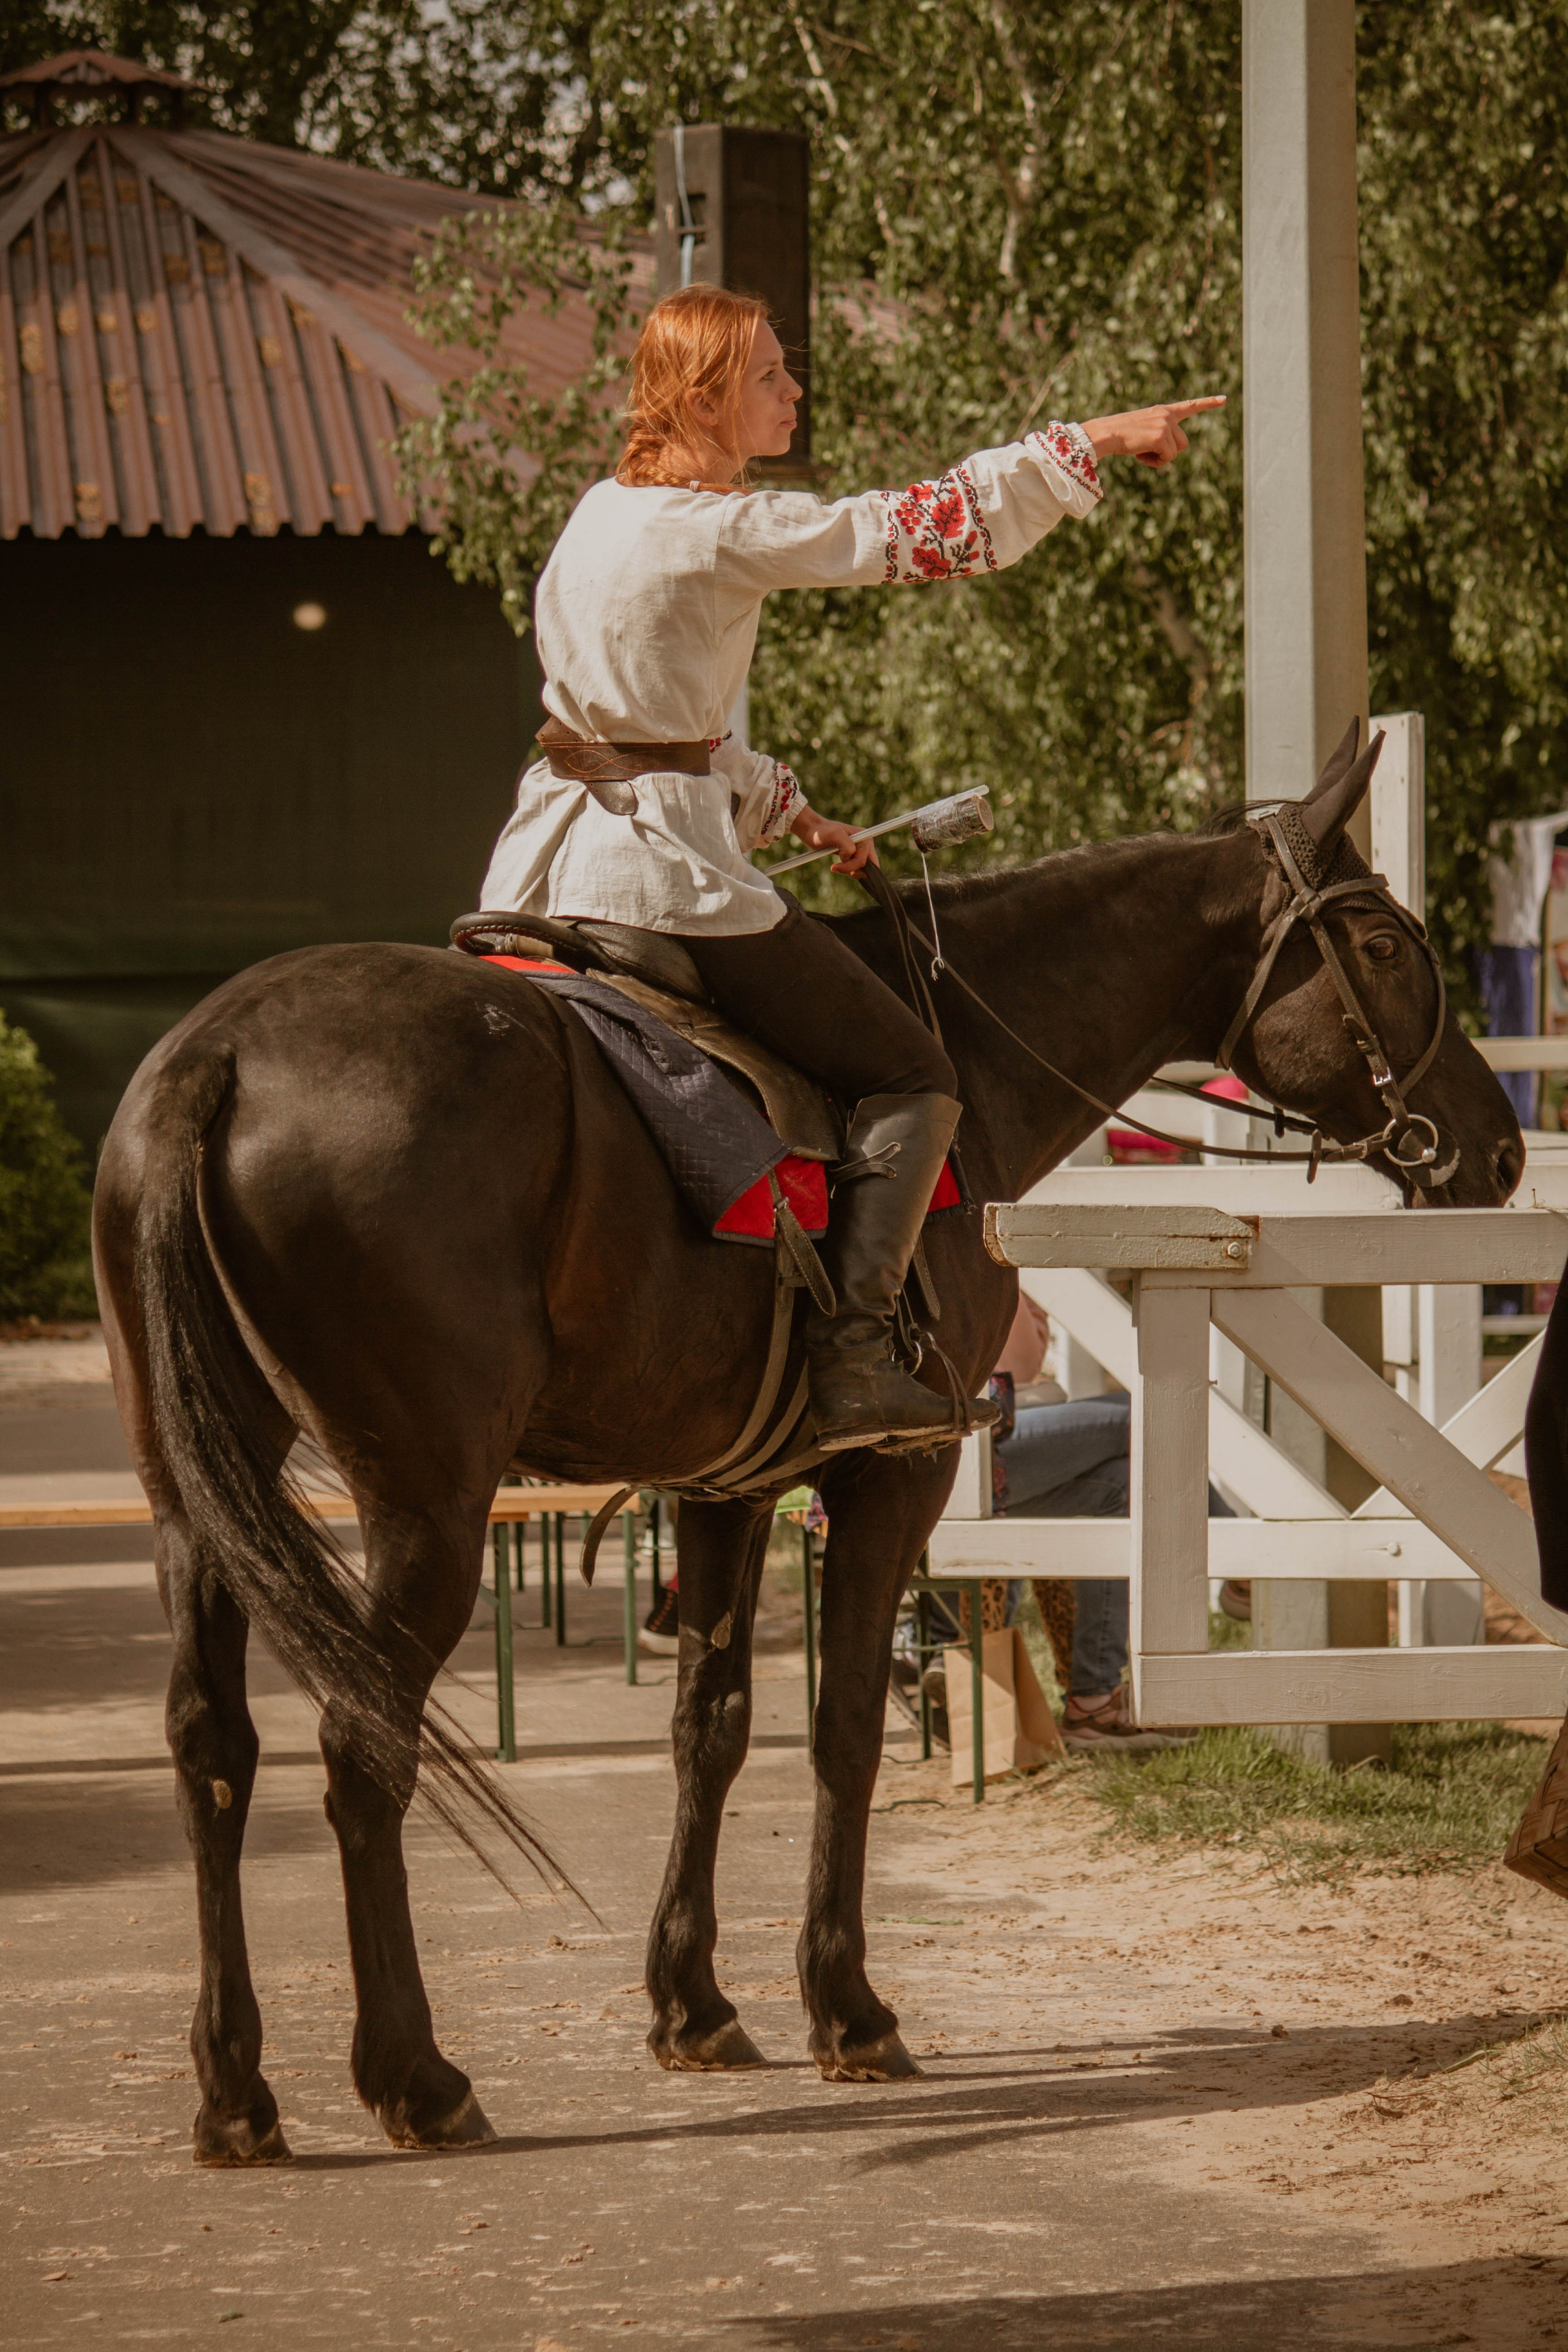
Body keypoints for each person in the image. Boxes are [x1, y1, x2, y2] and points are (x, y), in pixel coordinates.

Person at [480, 283, 1224, 1452]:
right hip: (660, 879)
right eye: (770, 377)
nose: (794, 393)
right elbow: (915, 530)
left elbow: (648, 717)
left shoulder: (601, 515)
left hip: (545, 866)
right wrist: (1088, 443)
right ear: (706, 398)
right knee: (915, 1073)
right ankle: (855, 1359)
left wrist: (794, 810)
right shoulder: (716, 531)